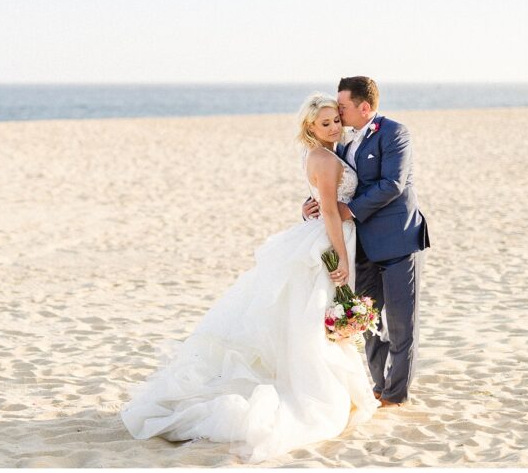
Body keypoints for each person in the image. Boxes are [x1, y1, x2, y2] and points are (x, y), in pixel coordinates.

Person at [121, 93, 379, 464]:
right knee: (314, 318)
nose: (335, 127)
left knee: (312, 318)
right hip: (328, 242)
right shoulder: (323, 156)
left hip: (319, 235)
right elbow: (330, 213)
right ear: (310, 127)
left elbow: (323, 204)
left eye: (336, 120)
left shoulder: (324, 153)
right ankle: (317, 390)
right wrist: (341, 260)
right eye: (325, 123)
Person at [303, 76, 430, 407]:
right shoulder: (342, 140)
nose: (338, 113)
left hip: (399, 240)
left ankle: (397, 394)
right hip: (361, 245)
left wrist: (348, 211)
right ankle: (379, 384)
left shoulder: (394, 133)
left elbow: (393, 184)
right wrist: (311, 205)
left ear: (364, 107)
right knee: (367, 319)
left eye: (342, 106)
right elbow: (334, 182)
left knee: (403, 324)